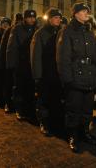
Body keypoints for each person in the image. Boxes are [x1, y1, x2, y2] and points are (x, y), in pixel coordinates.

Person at [56, 3, 96, 153]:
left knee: (87, 109)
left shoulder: (89, 32)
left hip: (90, 77)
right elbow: (63, 58)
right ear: (75, 14)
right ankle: (73, 136)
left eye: (87, 11)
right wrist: (67, 79)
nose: (87, 13)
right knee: (74, 109)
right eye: (83, 11)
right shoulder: (67, 31)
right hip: (75, 77)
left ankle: (85, 133)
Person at [30, 8, 63, 136]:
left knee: (56, 99)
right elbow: (35, 56)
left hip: (57, 73)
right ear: (49, 19)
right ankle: (44, 123)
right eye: (55, 17)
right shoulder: (40, 33)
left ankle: (55, 122)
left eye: (59, 18)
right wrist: (37, 75)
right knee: (44, 100)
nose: (58, 20)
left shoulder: (61, 32)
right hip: (45, 73)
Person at [6, 10, 37, 121]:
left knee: (30, 88)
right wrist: (11, 64)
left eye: (33, 18)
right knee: (19, 88)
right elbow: (12, 47)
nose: (32, 20)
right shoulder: (17, 29)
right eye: (29, 17)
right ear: (25, 18)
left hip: (31, 64)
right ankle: (19, 109)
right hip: (20, 64)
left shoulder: (36, 29)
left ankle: (29, 110)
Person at [0, 17, 12, 112]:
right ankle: (0, 100)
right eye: (4, 23)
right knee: (1, 82)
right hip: (0, 61)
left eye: (7, 23)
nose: (5, 25)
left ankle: (7, 101)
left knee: (8, 83)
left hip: (9, 62)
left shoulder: (11, 33)